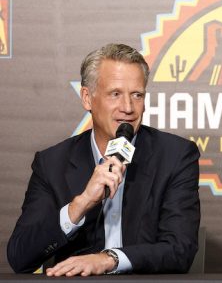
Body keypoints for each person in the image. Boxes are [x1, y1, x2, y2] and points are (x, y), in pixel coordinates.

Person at [7, 44, 201, 275]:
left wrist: (110, 259)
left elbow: (180, 250)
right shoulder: (52, 163)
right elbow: (20, 258)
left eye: (137, 95)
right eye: (115, 94)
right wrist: (81, 204)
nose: (128, 108)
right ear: (88, 98)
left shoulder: (176, 156)